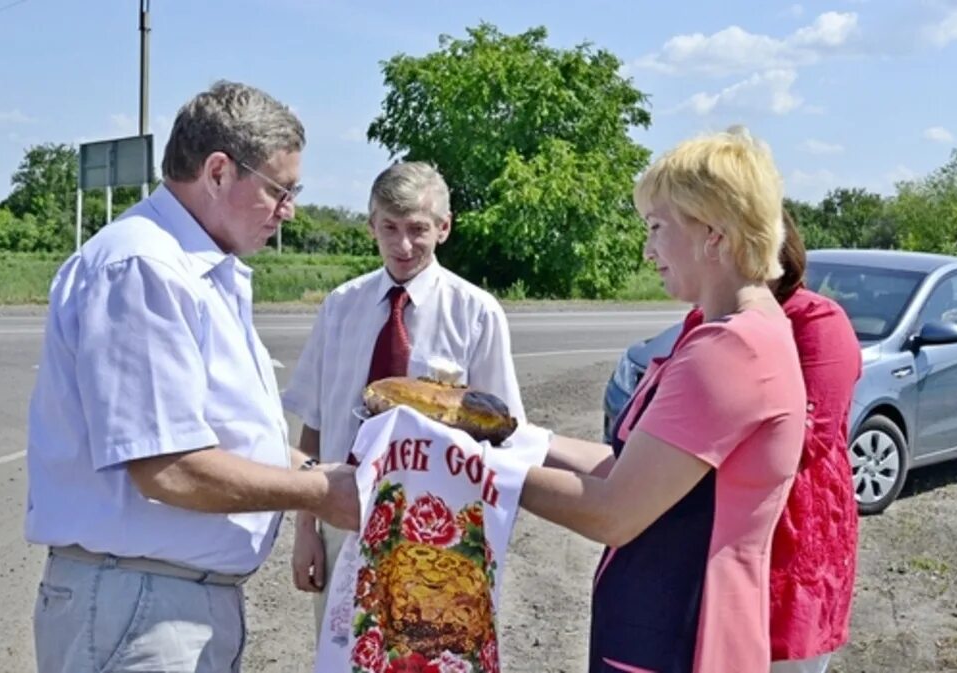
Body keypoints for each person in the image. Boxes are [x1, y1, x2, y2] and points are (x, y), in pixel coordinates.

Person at [24, 80, 357, 673]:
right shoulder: (145, 267)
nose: (290, 211)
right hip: (140, 606)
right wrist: (322, 493)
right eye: (279, 190)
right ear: (219, 171)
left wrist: (318, 469)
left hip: (162, 601)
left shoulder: (195, 268)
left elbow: (226, 438)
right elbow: (169, 468)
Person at [519, 126, 806, 672]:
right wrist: (518, 437)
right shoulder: (751, 330)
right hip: (676, 624)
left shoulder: (732, 349)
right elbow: (637, 469)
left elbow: (614, 513)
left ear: (713, 234)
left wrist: (473, 467)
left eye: (657, 227)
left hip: (682, 636)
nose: (648, 249)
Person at [281, 160, 527, 633]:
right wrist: (306, 530)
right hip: (344, 515)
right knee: (342, 651)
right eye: (389, 228)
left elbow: (503, 439)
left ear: (444, 228)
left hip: (437, 526)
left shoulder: (475, 313)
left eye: (418, 229)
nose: (403, 245)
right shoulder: (340, 307)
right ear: (371, 225)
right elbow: (314, 426)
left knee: (424, 650)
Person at [678, 212, 862, 672]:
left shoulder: (817, 321)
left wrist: (685, 455)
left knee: (780, 658)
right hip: (713, 525)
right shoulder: (702, 319)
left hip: (792, 531)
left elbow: (808, 440)